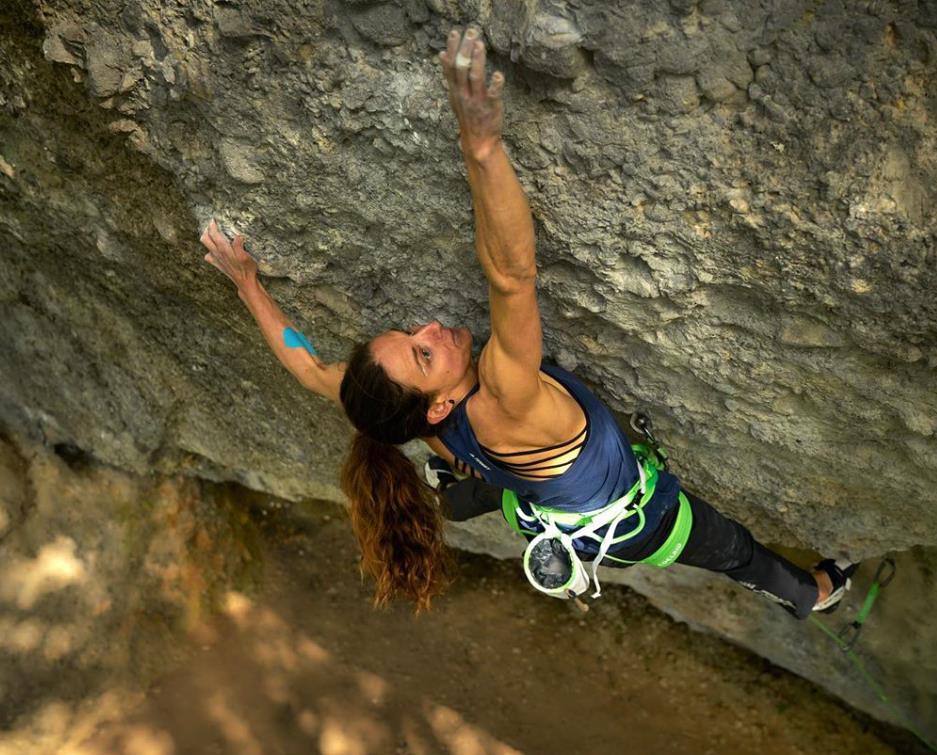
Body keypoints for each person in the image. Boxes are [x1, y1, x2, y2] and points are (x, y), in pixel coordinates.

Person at [200, 27, 854, 614]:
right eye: (423, 353)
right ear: (434, 406)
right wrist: (480, 145)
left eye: (407, 334)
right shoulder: (505, 396)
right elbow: (510, 276)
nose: (428, 328)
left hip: (529, 500)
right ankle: (814, 593)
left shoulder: (399, 411)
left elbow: (311, 368)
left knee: (485, 482)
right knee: (736, 552)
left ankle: (459, 492)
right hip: (635, 526)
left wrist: (248, 282)